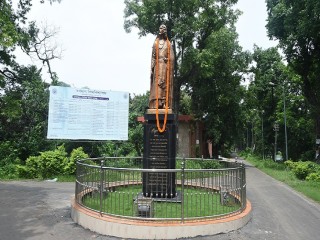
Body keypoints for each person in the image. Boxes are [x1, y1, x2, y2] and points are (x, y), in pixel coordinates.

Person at [149, 24, 174, 109]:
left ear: (166, 31)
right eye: (160, 28)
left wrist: (169, 60)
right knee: (157, 83)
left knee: (164, 83)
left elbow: (172, 57)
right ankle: (156, 102)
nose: (162, 29)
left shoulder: (168, 44)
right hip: (157, 65)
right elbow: (153, 56)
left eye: (164, 28)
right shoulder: (155, 42)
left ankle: (164, 103)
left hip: (165, 65)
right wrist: (152, 68)